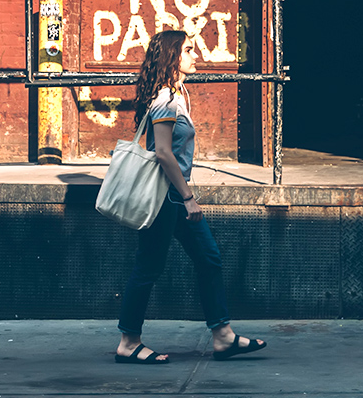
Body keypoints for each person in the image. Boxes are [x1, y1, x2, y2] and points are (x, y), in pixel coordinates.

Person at [114, 30, 267, 364]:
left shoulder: (177, 95)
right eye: (188, 50)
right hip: (167, 197)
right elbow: (164, 154)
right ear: (173, 57)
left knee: (208, 258)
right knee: (149, 267)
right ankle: (128, 342)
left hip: (173, 196)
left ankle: (223, 336)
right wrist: (188, 197)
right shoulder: (166, 100)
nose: (195, 54)